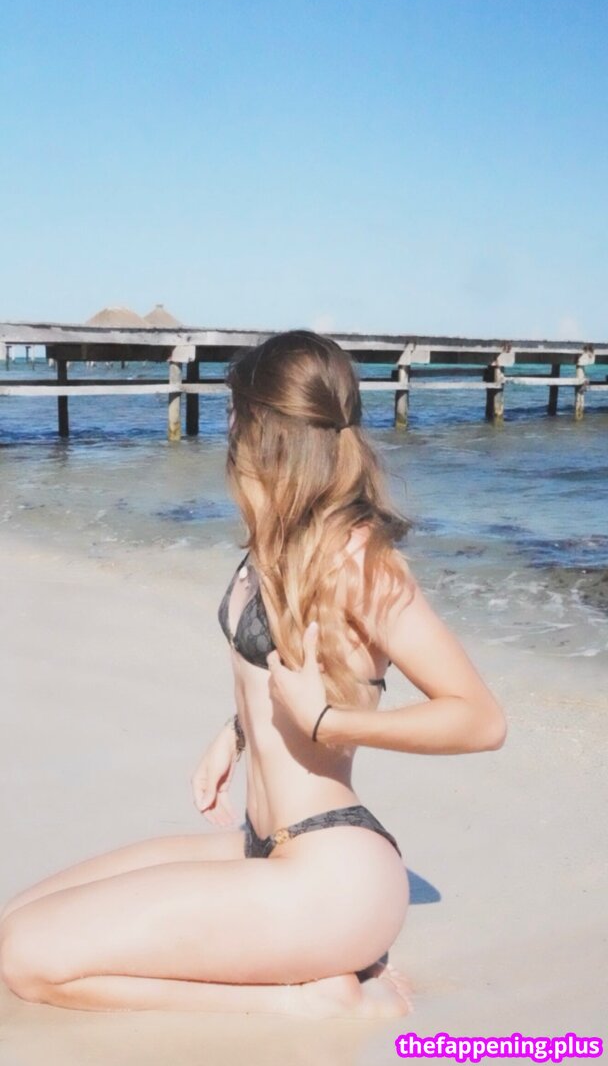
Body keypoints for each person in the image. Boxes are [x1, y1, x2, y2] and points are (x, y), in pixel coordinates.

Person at [0, 330, 507, 1019]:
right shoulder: (281, 543)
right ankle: (311, 974)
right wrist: (235, 733)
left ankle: (319, 1003)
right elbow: (298, 669)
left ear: (264, 430)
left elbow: (480, 718)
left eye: (235, 411)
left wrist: (330, 723)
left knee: (26, 957)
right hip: (264, 848)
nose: (227, 427)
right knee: (19, 917)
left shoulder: (357, 561)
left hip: (334, 874)